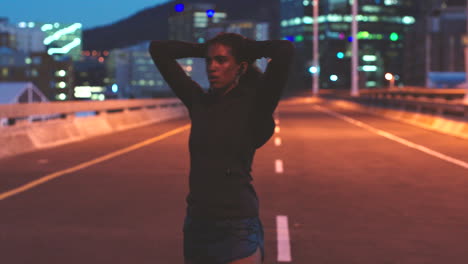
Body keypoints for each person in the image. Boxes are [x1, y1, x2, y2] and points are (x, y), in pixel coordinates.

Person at [149, 33, 294, 264]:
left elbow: (284, 50)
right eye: (209, 61)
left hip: (236, 226)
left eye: (222, 60)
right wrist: (204, 48)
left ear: (241, 67)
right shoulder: (199, 102)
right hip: (198, 224)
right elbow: (158, 49)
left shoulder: (256, 105)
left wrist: (241, 48)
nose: (212, 67)